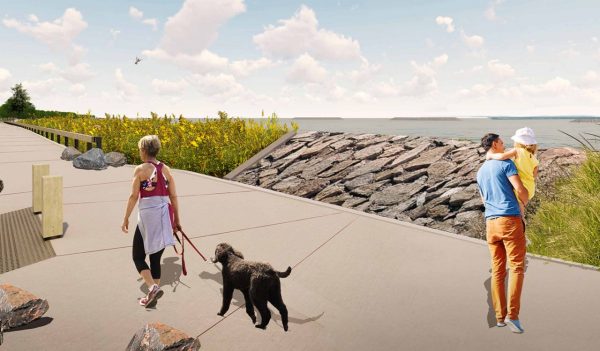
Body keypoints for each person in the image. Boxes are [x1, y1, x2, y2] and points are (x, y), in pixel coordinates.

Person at [477, 133, 529, 334]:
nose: (504, 144)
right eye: (501, 141)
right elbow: (520, 189)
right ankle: (513, 317)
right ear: (494, 144)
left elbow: (483, 201)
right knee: (517, 268)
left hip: (491, 223)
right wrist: (524, 201)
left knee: (498, 271)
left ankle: (499, 317)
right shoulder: (506, 164)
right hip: (509, 219)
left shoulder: (480, 171)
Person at [121, 135, 181, 307]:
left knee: (138, 256)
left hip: (148, 217)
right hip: (165, 216)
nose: (139, 152)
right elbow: (174, 196)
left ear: (145, 150)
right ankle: (154, 291)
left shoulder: (140, 170)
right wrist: (177, 220)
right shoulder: (166, 170)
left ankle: (152, 287)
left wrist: (126, 218)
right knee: (155, 258)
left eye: (140, 149)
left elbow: (133, 196)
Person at [485, 127, 539, 220]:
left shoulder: (517, 151)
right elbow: (534, 175)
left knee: (519, 214)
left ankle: (522, 229)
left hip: (521, 187)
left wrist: (490, 155)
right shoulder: (534, 158)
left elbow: (502, 156)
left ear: (518, 142)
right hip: (530, 188)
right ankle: (523, 229)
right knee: (521, 212)